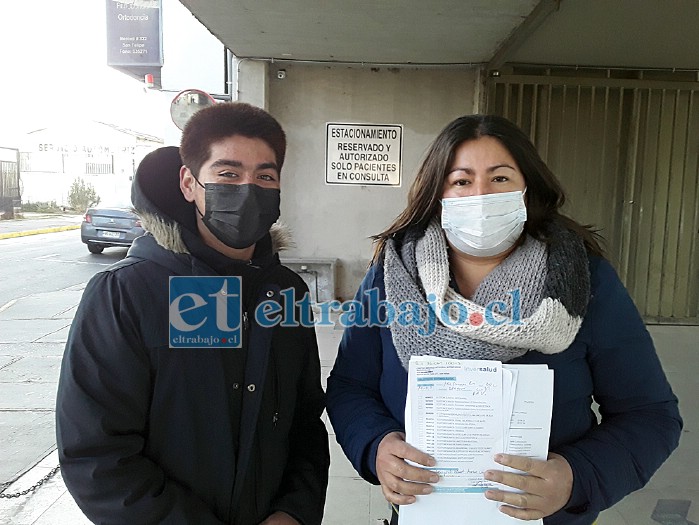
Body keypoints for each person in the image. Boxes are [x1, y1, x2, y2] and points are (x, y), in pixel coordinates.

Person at [325, 114, 682, 525]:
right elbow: (351, 386)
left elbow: (651, 414)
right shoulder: (394, 276)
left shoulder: (582, 280)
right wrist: (376, 446)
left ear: (527, 190)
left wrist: (575, 476)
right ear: (437, 193)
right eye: (461, 181)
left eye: (499, 179)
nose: (480, 195)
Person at [56, 102, 330, 525]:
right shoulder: (128, 293)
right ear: (189, 183)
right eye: (228, 174)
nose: (247, 189)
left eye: (265, 176)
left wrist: (294, 511)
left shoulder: (285, 292)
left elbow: (305, 422)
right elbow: (97, 453)